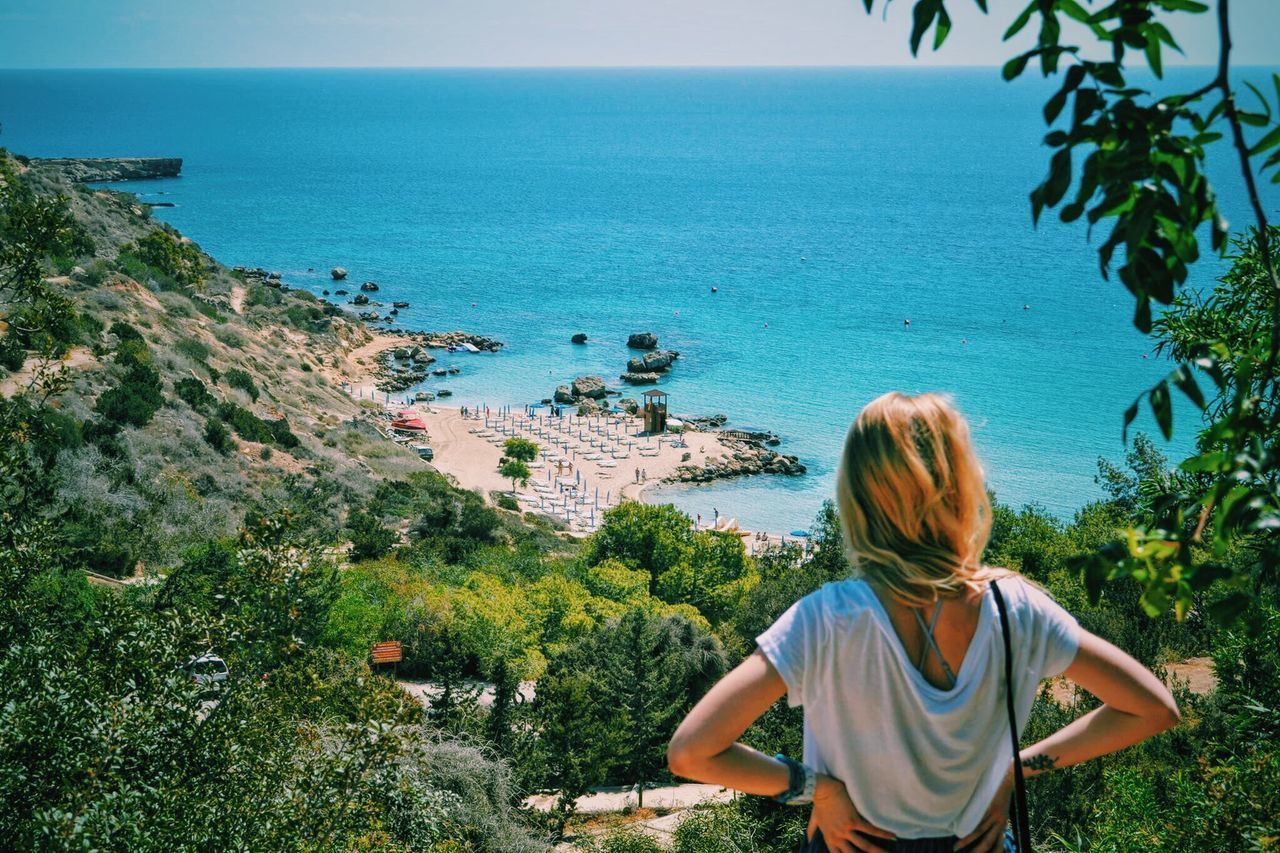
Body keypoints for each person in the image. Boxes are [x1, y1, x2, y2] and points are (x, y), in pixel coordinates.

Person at [667, 392, 1179, 853]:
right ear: (961, 489)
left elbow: (693, 752)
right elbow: (1153, 709)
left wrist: (816, 790)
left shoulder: (826, 619)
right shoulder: (1016, 608)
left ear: (858, 497)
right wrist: (1013, 772)